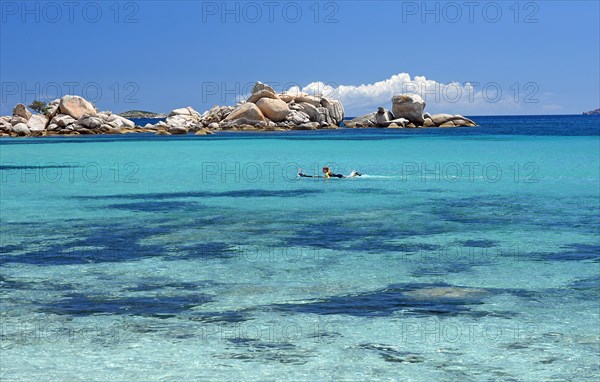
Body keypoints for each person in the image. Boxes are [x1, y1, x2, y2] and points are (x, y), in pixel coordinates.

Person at [297, 166, 362, 178]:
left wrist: (326, 178)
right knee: (349, 176)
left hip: (339, 176)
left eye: (323, 169)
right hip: (339, 175)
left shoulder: (327, 172)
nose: (322, 170)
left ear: (325, 170)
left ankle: (355, 174)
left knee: (349, 177)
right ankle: (355, 174)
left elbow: (328, 176)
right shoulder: (327, 172)